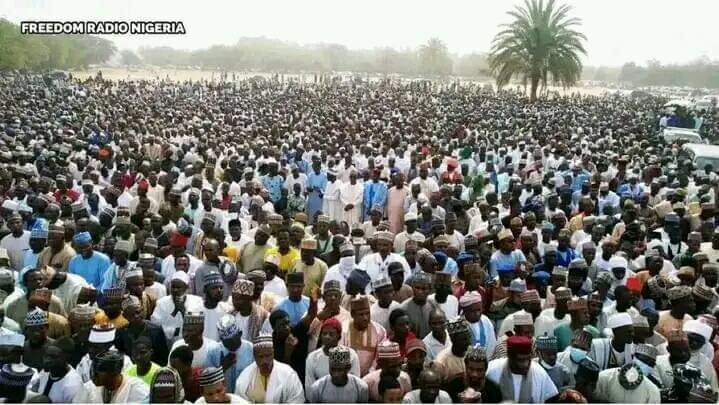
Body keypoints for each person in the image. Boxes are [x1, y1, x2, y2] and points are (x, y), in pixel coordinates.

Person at [485, 335, 559, 402]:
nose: (526, 364)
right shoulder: (492, 370)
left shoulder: (539, 372)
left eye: (528, 359)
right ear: (510, 357)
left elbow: (551, 398)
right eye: (521, 360)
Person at [234, 335, 305, 403]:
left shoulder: (289, 375)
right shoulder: (244, 379)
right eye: (261, 356)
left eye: (268, 356)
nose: (265, 361)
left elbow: (297, 399)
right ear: (255, 357)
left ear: (273, 354)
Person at [73, 349, 149, 403]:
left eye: (98, 372)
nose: (94, 376)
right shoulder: (89, 388)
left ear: (113, 373)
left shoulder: (138, 389)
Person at [151, 271, 204, 343]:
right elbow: (155, 324)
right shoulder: (162, 303)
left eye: (179, 287)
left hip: (192, 343)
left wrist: (183, 311)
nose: (175, 290)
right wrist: (175, 331)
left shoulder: (197, 301)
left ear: (186, 287)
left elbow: (199, 324)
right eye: (173, 287)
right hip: (168, 344)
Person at [207, 314, 254, 394]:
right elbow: (207, 382)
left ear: (240, 333)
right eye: (227, 342)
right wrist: (221, 368)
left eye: (233, 340)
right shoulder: (214, 352)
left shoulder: (251, 349)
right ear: (221, 339)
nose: (231, 345)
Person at [341, 295, 387, 376]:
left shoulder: (380, 331)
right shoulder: (343, 329)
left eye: (367, 313)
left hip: (371, 376)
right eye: (361, 314)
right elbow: (341, 357)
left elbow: (379, 358)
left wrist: (369, 375)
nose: (365, 318)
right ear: (352, 314)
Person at [29, 336, 83, 403]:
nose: (47, 361)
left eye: (53, 357)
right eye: (46, 356)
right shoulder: (45, 372)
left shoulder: (73, 385)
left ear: (66, 358)